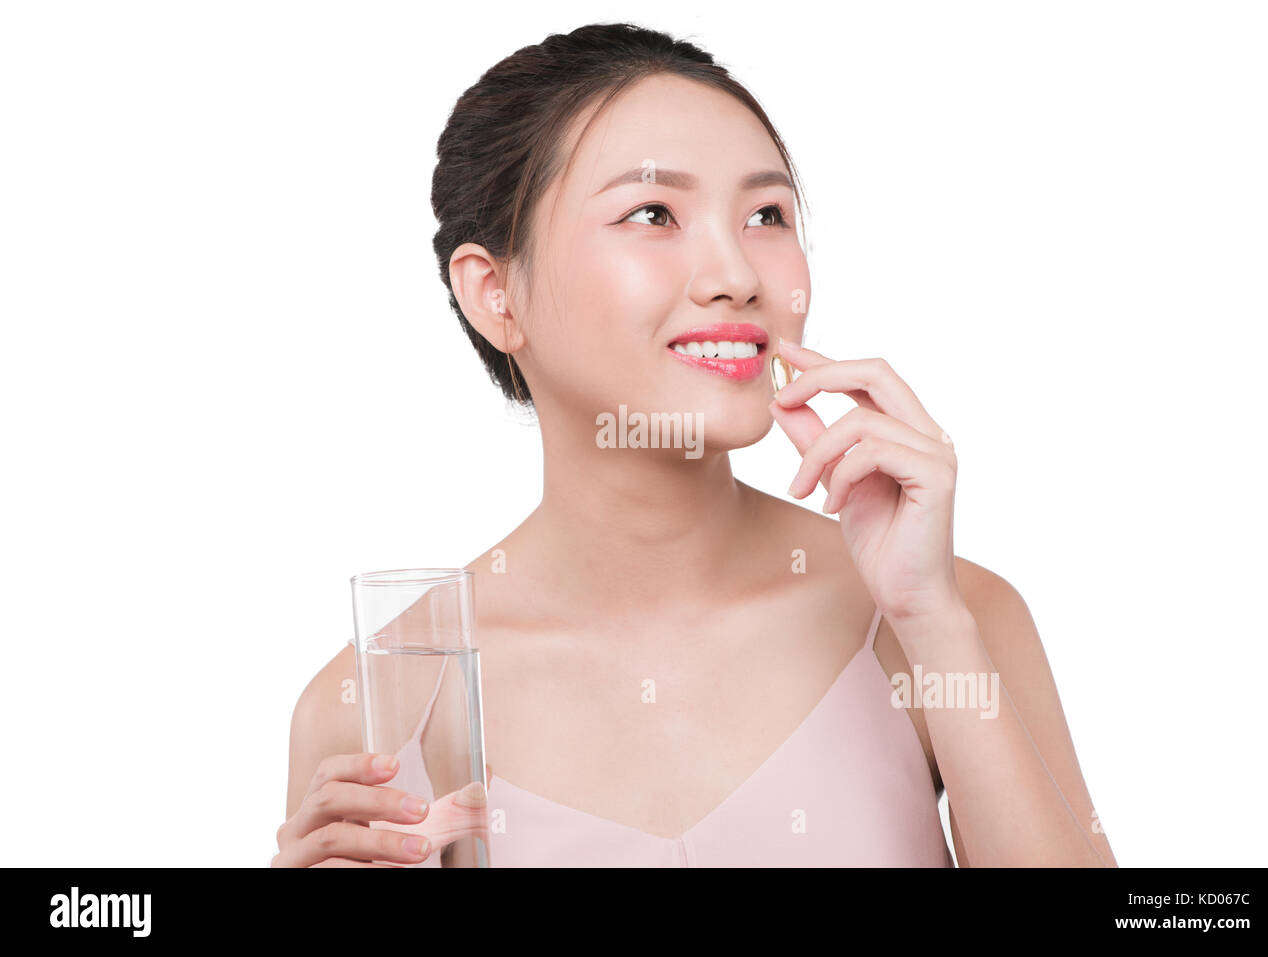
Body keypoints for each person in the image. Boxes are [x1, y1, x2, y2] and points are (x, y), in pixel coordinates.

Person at [273, 22, 1117, 868]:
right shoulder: (384, 697)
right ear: (496, 294)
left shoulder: (947, 614)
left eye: (765, 214)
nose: (738, 275)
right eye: (653, 213)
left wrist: (932, 618)